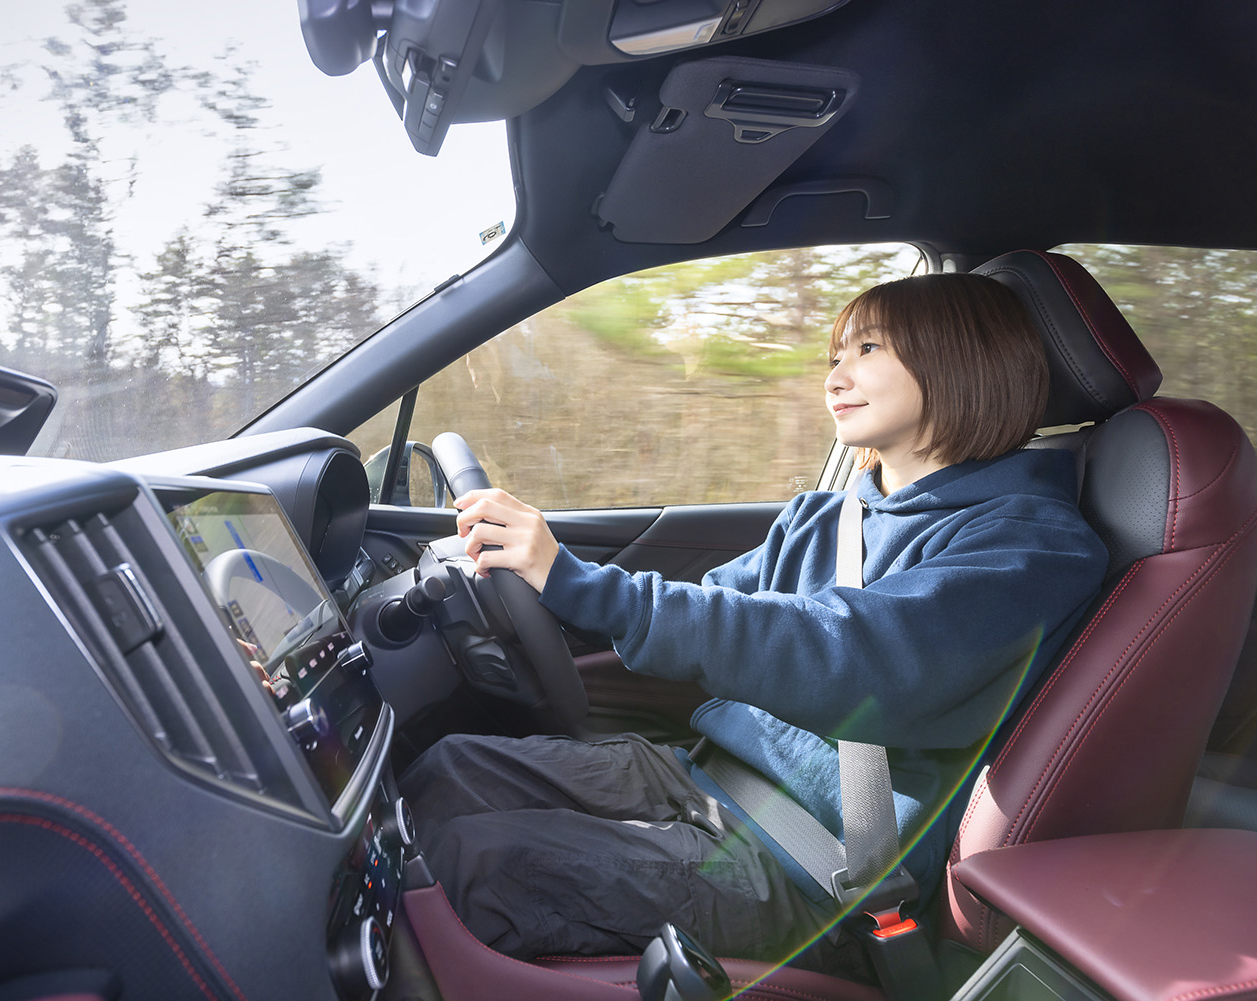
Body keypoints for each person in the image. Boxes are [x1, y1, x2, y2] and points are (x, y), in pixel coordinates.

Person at [397, 273, 1109, 965]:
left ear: (963, 362)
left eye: (868, 350)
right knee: (448, 768)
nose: (834, 377)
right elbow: (718, 612)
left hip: (820, 867)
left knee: (471, 865)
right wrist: (540, 582)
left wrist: (577, 581)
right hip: (704, 779)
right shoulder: (826, 518)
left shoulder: (1031, 545)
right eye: (836, 355)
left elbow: (852, 654)